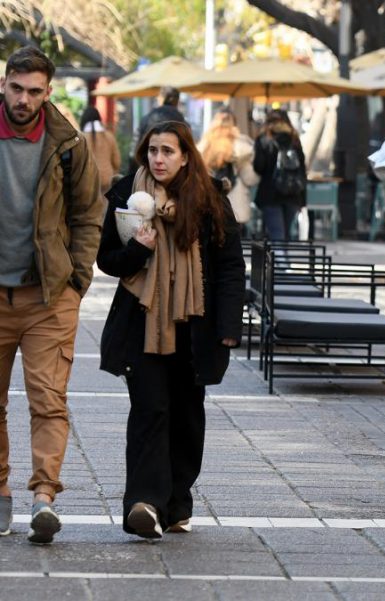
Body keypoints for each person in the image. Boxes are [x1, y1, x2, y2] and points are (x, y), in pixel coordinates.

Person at [96, 120, 245, 539]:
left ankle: (177, 502)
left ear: (185, 156)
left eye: (167, 151)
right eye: (152, 150)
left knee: (186, 416)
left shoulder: (209, 198)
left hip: (194, 326)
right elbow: (106, 260)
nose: (158, 159)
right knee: (150, 410)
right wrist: (135, 250)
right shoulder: (128, 192)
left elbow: (231, 265)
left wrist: (229, 324)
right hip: (141, 324)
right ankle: (144, 504)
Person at [0, 46, 105, 544]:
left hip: (48, 296)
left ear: (48, 91)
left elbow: (89, 215)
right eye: (17, 88)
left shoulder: (68, 144)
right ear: (4, 83)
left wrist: (76, 281)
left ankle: (44, 497)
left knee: (48, 400)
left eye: (35, 91)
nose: (24, 99)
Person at [198, 108, 259, 229]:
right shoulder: (242, 147)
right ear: (234, 124)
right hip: (235, 205)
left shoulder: (204, 146)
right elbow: (250, 179)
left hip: (207, 202)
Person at [253, 109, 307, 241]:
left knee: (277, 235)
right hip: (293, 194)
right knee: (285, 235)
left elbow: (259, 167)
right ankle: (282, 261)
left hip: (270, 194)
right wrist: (303, 200)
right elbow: (302, 170)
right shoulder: (294, 139)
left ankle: (282, 262)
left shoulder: (264, 139)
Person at [80, 106, 121, 194]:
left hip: (87, 180)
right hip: (107, 180)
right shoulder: (109, 136)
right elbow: (117, 162)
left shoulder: (81, 138)